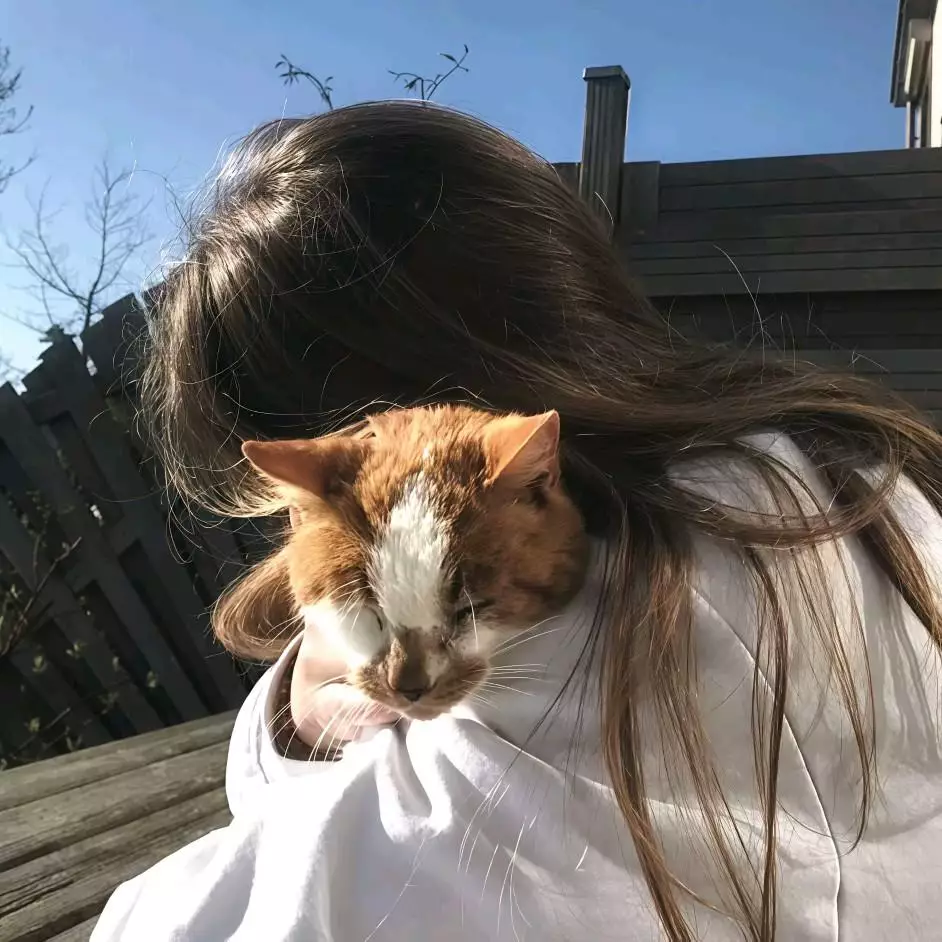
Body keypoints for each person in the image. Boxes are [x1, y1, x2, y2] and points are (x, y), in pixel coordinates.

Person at [92, 101, 942, 942]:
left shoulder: (637, 627)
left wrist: (292, 745)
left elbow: (188, 917)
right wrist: (294, 714)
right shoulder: (853, 468)